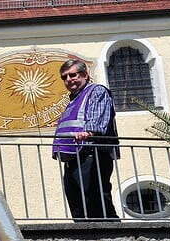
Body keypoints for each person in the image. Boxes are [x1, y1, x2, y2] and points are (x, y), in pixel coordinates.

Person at [51, 59, 120, 220]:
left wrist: (89, 131)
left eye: (72, 75)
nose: (68, 79)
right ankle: (86, 231)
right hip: (73, 157)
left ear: (85, 75)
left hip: (92, 154)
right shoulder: (73, 100)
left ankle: (111, 232)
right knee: (77, 205)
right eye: (64, 77)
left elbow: (98, 119)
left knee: (96, 202)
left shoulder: (96, 91)